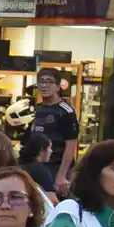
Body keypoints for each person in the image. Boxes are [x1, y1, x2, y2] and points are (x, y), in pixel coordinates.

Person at [30, 67, 80, 196]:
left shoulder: (66, 112)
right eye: (41, 82)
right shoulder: (38, 109)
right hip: (38, 167)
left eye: (49, 82)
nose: (44, 85)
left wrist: (61, 176)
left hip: (57, 167)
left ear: (58, 87)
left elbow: (70, 146)